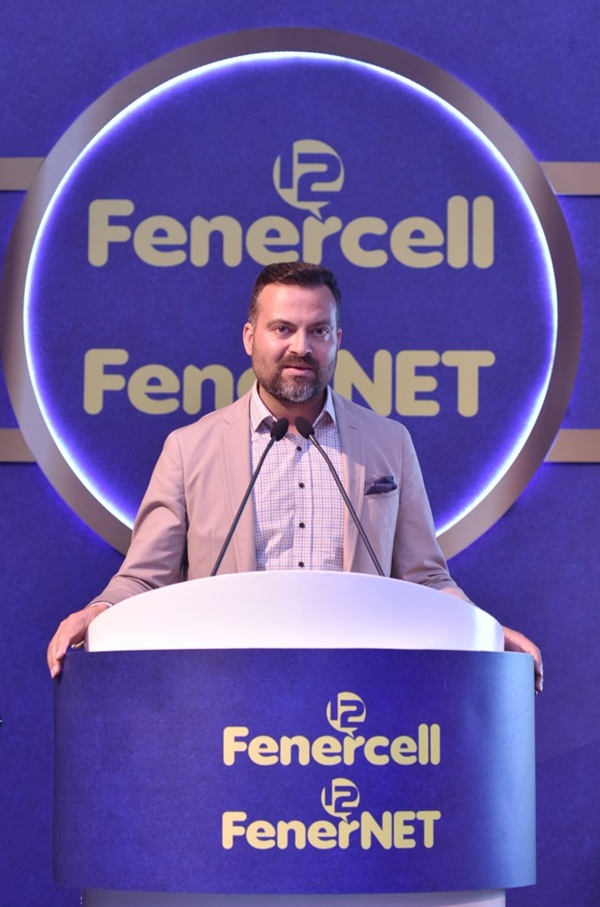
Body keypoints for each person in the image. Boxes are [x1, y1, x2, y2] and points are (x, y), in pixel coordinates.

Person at [47, 261, 543, 691]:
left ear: (337, 341)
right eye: (282, 329)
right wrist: (99, 611)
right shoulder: (188, 449)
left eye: (318, 331)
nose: (300, 347)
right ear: (250, 337)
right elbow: (145, 577)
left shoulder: (390, 444)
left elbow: (426, 579)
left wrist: (484, 631)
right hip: (228, 692)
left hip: (357, 696)